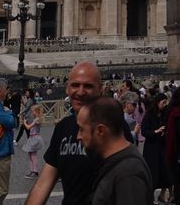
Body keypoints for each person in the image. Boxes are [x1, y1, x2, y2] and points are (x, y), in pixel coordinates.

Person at [27, 61, 130, 205]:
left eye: (88, 86)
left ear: (100, 89)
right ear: (67, 88)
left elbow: (128, 180)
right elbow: (42, 184)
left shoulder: (114, 127)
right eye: (75, 85)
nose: (80, 92)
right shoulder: (63, 127)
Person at [77, 98, 152, 205]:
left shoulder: (128, 173)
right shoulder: (115, 163)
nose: (78, 136)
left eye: (82, 129)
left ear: (100, 131)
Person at [140, 93, 171, 202]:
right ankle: (151, 198)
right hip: (151, 149)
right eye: (163, 102)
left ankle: (162, 195)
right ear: (157, 102)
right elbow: (144, 131)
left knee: (165, 172)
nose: (165, 105)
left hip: (161, 146)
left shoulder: (163, 114)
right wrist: (155, 131)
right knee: (152, 173)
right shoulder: (149, 115)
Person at [21, 104, 44, 179]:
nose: (32, 113)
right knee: (31, 155)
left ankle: (35, 171)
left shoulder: (37, 119)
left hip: (34, 138)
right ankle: (32, 171)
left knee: (33, 155)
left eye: (33, 111)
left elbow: (28, 127)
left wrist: (24, 122)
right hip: (33, 137)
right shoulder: (36, 119)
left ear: (37, 111)